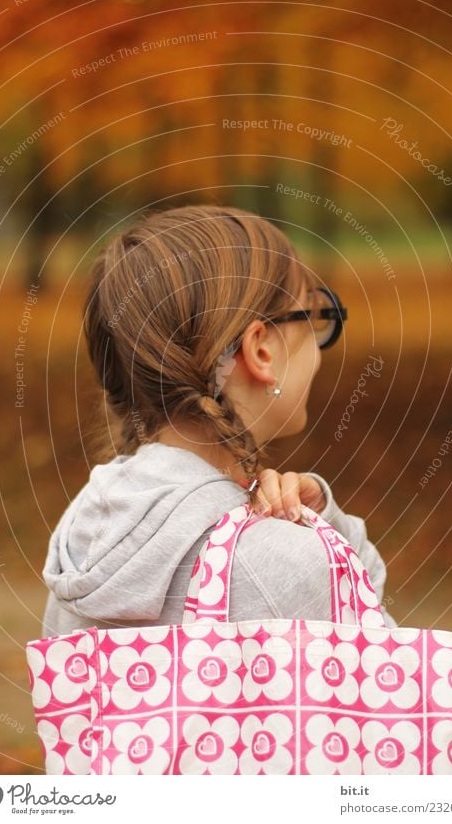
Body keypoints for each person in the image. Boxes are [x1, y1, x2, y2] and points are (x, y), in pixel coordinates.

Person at [41, 204, 396, 637]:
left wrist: (324, 524)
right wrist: (330, 547)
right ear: (261, 351)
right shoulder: (282, 569)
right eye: (314, 317)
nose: (318, 350)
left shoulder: (88, 535)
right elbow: (394, 675)